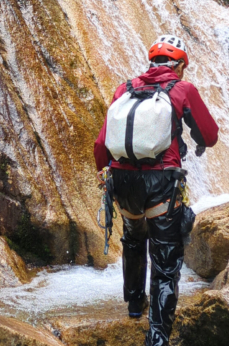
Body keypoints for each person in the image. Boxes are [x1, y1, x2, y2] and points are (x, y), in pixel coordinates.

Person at [93, 35, 219, 346]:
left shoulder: (125, 89)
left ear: (152, 63)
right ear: (180, 67)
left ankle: (135, 305)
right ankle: (158, 337)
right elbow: (210, 134)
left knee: (134, 238)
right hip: (161, 181)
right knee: (165, 260)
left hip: (121, 181)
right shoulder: (181, 89)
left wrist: (103, 170)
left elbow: (101, 143)